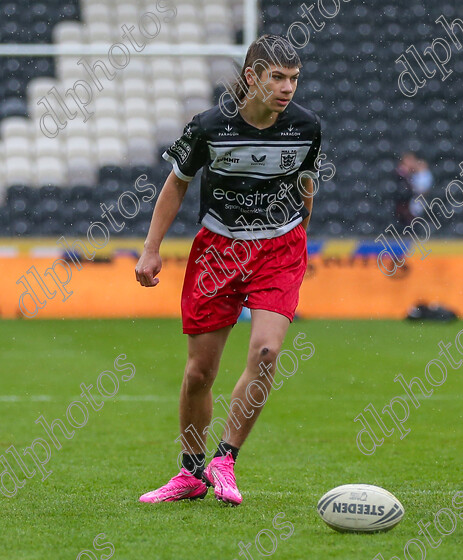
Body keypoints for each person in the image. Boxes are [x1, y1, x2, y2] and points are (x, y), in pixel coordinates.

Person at [135, 35, 321, 505]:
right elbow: (176, 185)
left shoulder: (307, 127)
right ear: (253, 77)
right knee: (200, 372)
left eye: (293, 79)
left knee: (265, 353)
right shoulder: (209, 127)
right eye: (277, 77)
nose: (287, 88)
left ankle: (226, 459)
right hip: (218, 252)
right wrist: (151, 249)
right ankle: (191, 472)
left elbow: (305, 184)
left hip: (279, 248)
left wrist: (301, 241)